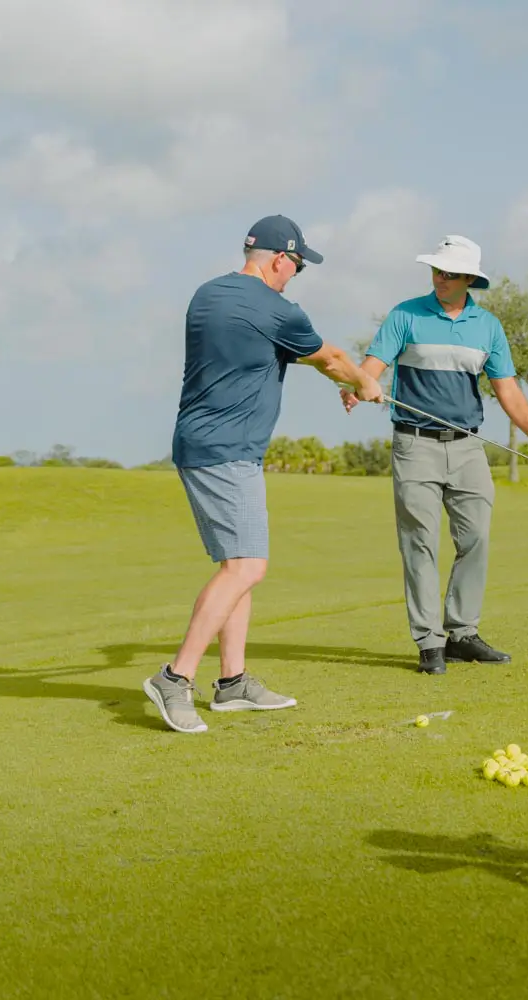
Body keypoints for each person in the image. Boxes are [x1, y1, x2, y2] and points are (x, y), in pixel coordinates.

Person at [145, 214, 383, 733]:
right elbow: (333, 358)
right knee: (247, 568)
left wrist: (347, 375)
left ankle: (232, 684)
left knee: (238, 566)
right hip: (226, 451)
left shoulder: (208, 295)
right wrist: (366, 384)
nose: (294, 276)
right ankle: (174, 677)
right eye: (296, 267)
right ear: (279, 260)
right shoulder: (277, 309)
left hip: (206, 445)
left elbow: (268, 352)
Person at [340, 235, 528, 675]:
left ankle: (462, 633)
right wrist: (358, 386)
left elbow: (507, 390)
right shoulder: (405, 314)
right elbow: (373, 366)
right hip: (414, 445)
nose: (440, 278)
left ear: (469, 279)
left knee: (476, 538)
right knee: (419, 543)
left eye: (449, 273)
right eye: (436, 270)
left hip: (468, 448)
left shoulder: (488, 327)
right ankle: (430, 643)